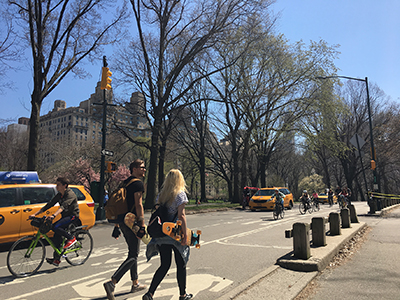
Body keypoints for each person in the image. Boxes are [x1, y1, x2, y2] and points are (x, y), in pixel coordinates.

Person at [143, 169, 193, 300]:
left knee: (164, 265)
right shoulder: (180, 195)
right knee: (180, 264)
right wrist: (185, 235)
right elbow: (181, 216)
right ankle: (183, 295)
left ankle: (150, 293)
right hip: (174, 235)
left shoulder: (161, 195)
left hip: (161, 234)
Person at [103, 159, 147, 300]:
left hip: (122, 221)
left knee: (132, 252)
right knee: (134, 254)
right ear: (134, 169)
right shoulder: (138, 184)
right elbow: (138, 204)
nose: (144, 169)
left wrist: (117, 226)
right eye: (141, 167)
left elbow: (119, 205)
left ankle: (135, 283)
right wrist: (142, 224)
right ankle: (112, 282)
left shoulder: (125, 183)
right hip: (132, 222)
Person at [30, 177, 79, 267]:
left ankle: (71, 238)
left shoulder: (70, 194)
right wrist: (35, 214)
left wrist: (53, 215)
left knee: (56, 227)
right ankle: (56, 259)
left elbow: (63, 206)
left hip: (72, 216)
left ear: (64, 186)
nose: (56, 186)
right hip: (64, 216)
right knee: (56, 235)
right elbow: (49, 204)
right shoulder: (60, 195)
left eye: (58, 185)